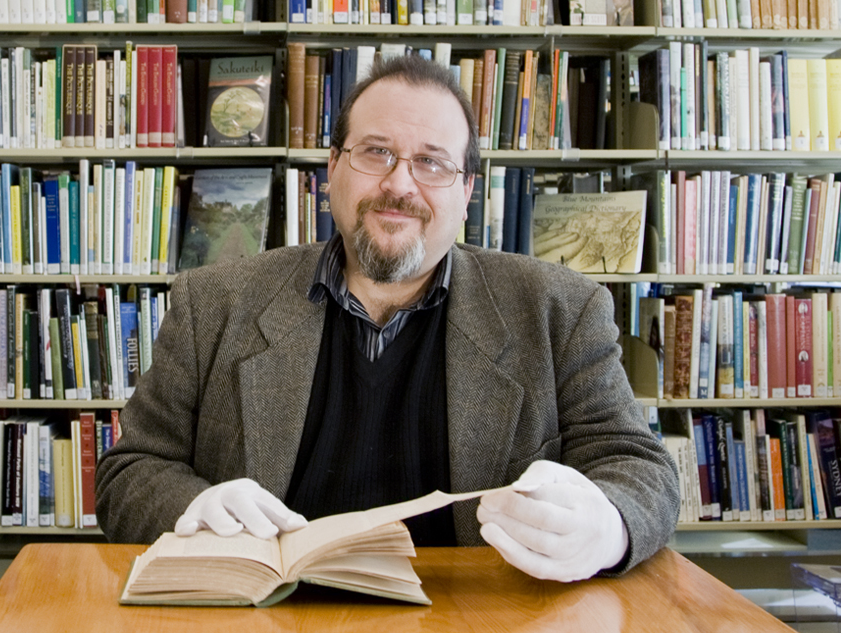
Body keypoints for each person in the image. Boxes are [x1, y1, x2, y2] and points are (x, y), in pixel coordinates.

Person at [96, 54, 679, 583]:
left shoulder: (560, 309)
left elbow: (637, 467)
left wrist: (608, 526)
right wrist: (189, 508)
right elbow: (131, 473)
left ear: (467, 189)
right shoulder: (215, 302)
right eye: (376, 152)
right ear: (333, 168)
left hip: (479, 618)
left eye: (431, 162)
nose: (400, 185)